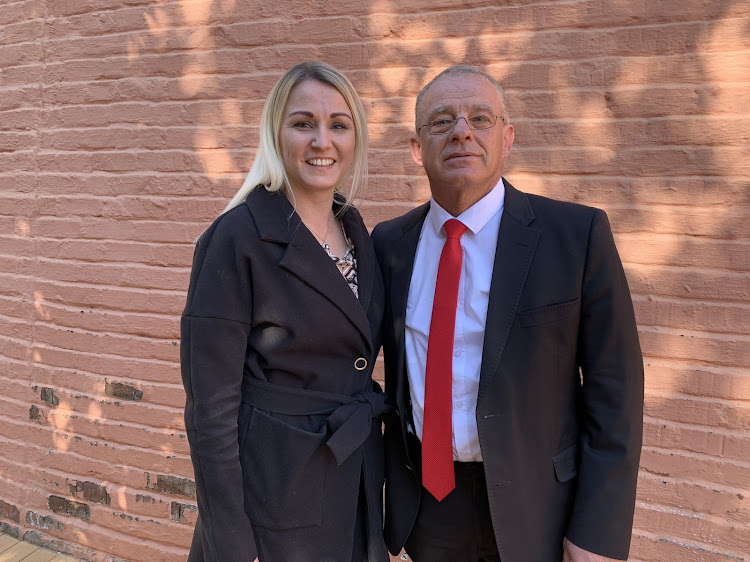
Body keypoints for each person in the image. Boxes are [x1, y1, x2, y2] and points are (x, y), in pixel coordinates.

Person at [372, 66, 644, 562]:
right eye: (442, 121)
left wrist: (597, 533)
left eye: (481, 117)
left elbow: (615, 395)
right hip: (428, 507)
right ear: (417, 147)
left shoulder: (576, 236)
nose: (462, 130)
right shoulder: (389, 244)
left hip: (540, 509)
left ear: (508, 138)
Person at [180, 61, 390, 562]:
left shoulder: (358, 231)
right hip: (273, 503)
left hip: (351, 487)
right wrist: (232, 543)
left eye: (339, 125)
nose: (323, 141)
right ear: (276, 134)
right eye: (304, 124)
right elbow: (210, 412)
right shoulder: (236, 237)